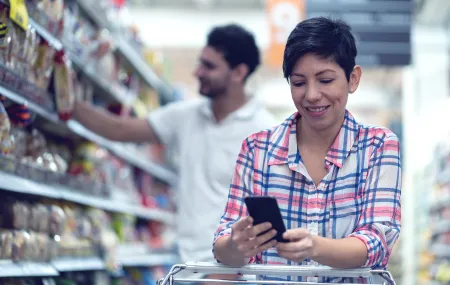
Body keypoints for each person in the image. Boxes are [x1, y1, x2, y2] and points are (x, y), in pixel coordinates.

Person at [73, 24, 276, 282]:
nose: (197, 72)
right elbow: (120, 129)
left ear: (238, 72)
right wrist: (68, 100)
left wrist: (231, 273)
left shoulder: (266, 130)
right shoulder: (186, 116)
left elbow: (270, 214)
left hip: (234, 270)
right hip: (186, 265)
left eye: (209, 66)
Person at [213, 17, 401, 283]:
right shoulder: (256, 149)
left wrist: (314, 247)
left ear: (353, 79)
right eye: (299, 83)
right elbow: (223, 246)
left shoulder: (378, 146)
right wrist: (236, 245)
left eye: (325, 80)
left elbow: (376, 242)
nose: (311, 95)